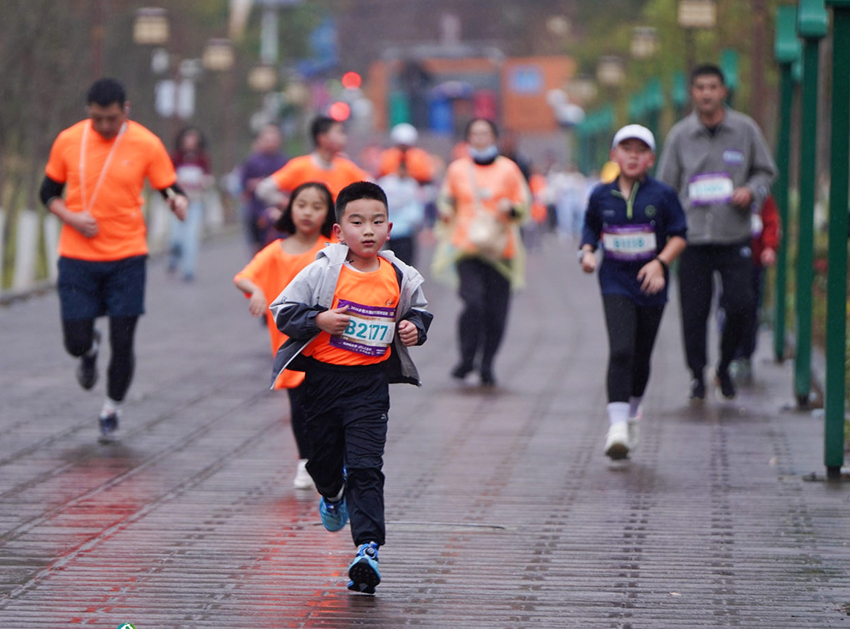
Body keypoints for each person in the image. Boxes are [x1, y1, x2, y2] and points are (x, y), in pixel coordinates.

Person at [268, 181, 432, 594]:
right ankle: (330, 491)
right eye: (357, 222)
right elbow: (282, 311)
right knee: (323, 463)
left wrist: (414, 328)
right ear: (339, 231)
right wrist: (318, 321)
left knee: (365, 466)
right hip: (322, 383)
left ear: (389, 228)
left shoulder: (400, 274)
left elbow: (420, 311)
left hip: (369, 386)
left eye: (377, 221)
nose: (368, 230)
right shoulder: (324, 270)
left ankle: (367, 549)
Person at [40, 77, 188, 442]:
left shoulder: (146, 143)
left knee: (123, 340)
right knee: (73, 340)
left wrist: (178, 201)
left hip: (127, 256)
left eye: (111, 118)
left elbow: (169, 187)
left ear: (126, 110)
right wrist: (72, 218)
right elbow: (47, 194)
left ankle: (111, 408)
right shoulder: (68, 140)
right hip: (77, 256)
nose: (104, 126)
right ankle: (88, 349)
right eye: (97, 119)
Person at [657, 64, 776, 403]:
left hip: (734, 234)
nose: (706, 93)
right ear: (692, 93)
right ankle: (697, 374)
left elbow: (766, 171)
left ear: (724, 91)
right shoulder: (680, 135)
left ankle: (724, 365)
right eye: (700, 87)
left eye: (713, 87)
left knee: (741, 304)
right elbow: (666, 186)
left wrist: (751, 191)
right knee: (694, 312)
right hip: (692, 239)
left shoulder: (745, 129)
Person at [580, 125, 687, 460]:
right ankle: (617, 426)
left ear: (650, 159)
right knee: (621, 349)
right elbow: (591, 228)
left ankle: (633, 412)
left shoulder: (663, 195)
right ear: (615, 155)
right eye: (626, 149)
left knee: (641, 355)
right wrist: (586, 251)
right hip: (615, 282)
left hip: (651, 284)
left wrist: (660, 263)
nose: (632, 156)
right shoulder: (600, 195)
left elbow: (680, 235)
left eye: (640, 150)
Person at [233, 182, 336, 489]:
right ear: (290, 208)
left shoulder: (331, 251)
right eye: (302, 204)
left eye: (317, 206)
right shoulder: (275, 251)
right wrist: (257, 292)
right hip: (290, 344)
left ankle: (329, 459)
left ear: (327, 214)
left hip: (326, 342)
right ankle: (305, 462)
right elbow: (244, 277)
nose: (308, 212)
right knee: (299, 405)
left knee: (326, 405)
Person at [436, 118, 529, 387]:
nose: (480, 138)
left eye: (485, 133)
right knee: (473, 302)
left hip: (501, 249)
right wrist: (444, 211)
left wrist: (510, 210)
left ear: (494, 137)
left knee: (497, 311)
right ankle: (466, 358)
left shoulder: (508, 169)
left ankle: (487, 363)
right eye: (474, 134)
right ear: (467, 138)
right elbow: (447, 198)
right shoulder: (457, 169)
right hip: (467, 247)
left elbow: (523, 205)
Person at [256, 115, 370, 210]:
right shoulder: (300, 166)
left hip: (336, 235)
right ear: (322, 138)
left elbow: (371, 186)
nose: (343, 138)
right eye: (339, 133)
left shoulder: (346, 167)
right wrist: (290, 205)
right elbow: (264, 189)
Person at [724, 194, 780, 384]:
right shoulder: (725, 192)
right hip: (728, 264)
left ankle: (745, 355)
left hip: (754, 264)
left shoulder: (761, 196)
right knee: (728, 309)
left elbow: (771, 222)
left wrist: (769, 247)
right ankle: (729, 355)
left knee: (750, 310)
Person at [167, 126, 213, 281]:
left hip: (195, 202)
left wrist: (202, 183)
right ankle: (174, 255)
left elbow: (208, 179)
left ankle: (188, 270)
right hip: (178, 202)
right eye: (188, 138)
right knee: (176, 237)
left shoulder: (203, 159)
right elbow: (167, 178)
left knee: (191, 237)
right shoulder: (176, 158)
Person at [240, 124, 288, 253]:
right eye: (267, 140)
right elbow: (243, 184)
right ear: (260, 140)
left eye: (274, 140)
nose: (271, 143)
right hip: (256, 210)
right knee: (258, 247)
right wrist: (255, 184)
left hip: (279, 209)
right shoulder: (252, 161)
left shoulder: (284, 161)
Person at [377, 160, 425, 265]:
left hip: (406, 229)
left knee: (406, 261)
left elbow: (416, 205)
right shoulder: (387, 183)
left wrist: (415, 221)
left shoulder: (411, 184)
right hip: (392, 229)